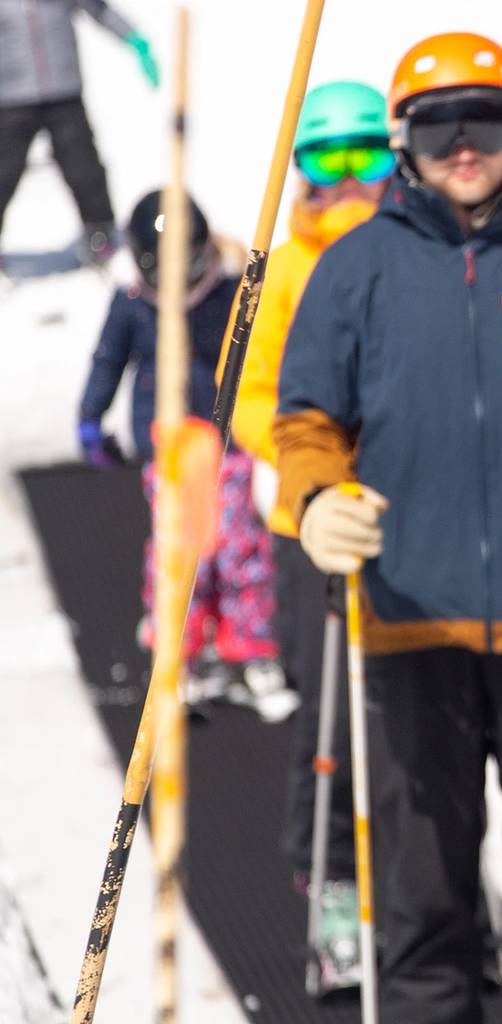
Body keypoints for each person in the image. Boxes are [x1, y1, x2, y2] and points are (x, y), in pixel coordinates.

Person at [273, 32, 502, 1022]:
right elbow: (305, 419)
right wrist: (316, 498)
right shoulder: (358, 265)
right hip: (404, 614)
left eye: (484, 122)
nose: (462, 148)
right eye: (436, 125)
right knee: (422, 898)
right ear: (402, 140)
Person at [227, 77, 393, 994]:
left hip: (413, 520)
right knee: (328, 719)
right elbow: (245, 396)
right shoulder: (283, 268)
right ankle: (331, 888)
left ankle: (430, 894)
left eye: (365, 154)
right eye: (325, 159)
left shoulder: (415, 253)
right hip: (316, 526)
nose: (346, 178)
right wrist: (315, 459)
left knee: (423, 717)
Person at [77, 189, 292, 720]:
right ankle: (181, 646)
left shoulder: (227, 297)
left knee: (239, 547)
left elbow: (261, 357)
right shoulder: (132, 306)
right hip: (170, 446)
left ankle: (249, 644)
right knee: (181, 550)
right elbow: (108, 361)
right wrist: (91, 416)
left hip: (228, 446)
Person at [0, 0, 159, 263]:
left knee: (84, 169)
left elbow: (101, 11)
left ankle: (101, 235)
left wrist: (135, 39)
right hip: (13, 99)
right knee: (3, 173)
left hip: (64, 93)